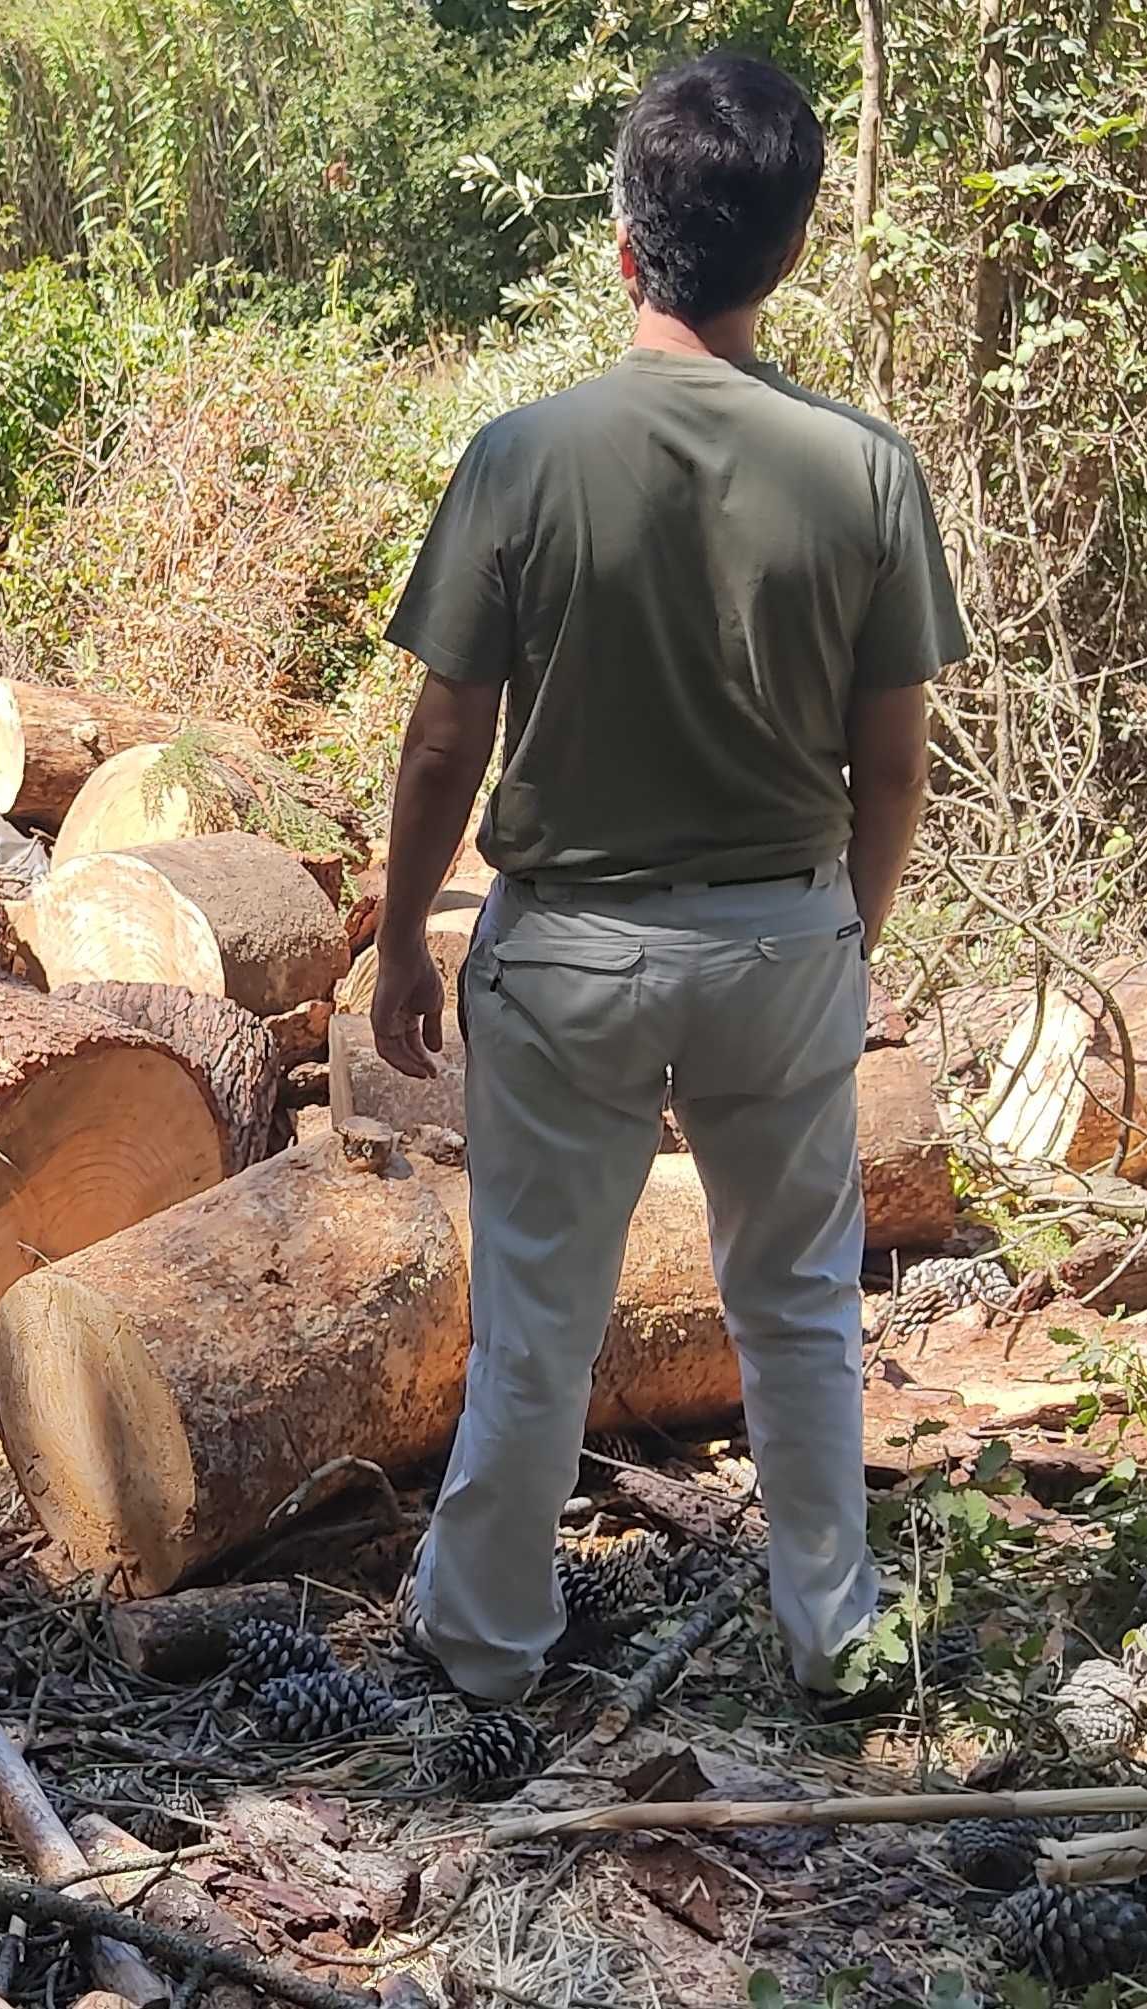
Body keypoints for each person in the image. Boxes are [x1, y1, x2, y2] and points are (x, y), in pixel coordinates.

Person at [372, 50, 965, 1701]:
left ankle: (487, 1645)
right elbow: (893, 762)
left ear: (623, 244)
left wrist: (399, 944)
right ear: (787, 252)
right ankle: (832, 1641)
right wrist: (848, 930)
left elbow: (441, 737)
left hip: (562, 952)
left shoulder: (521, 455)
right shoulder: (862, 471)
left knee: (538, 1319)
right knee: (793, 1307)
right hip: (782, 939)